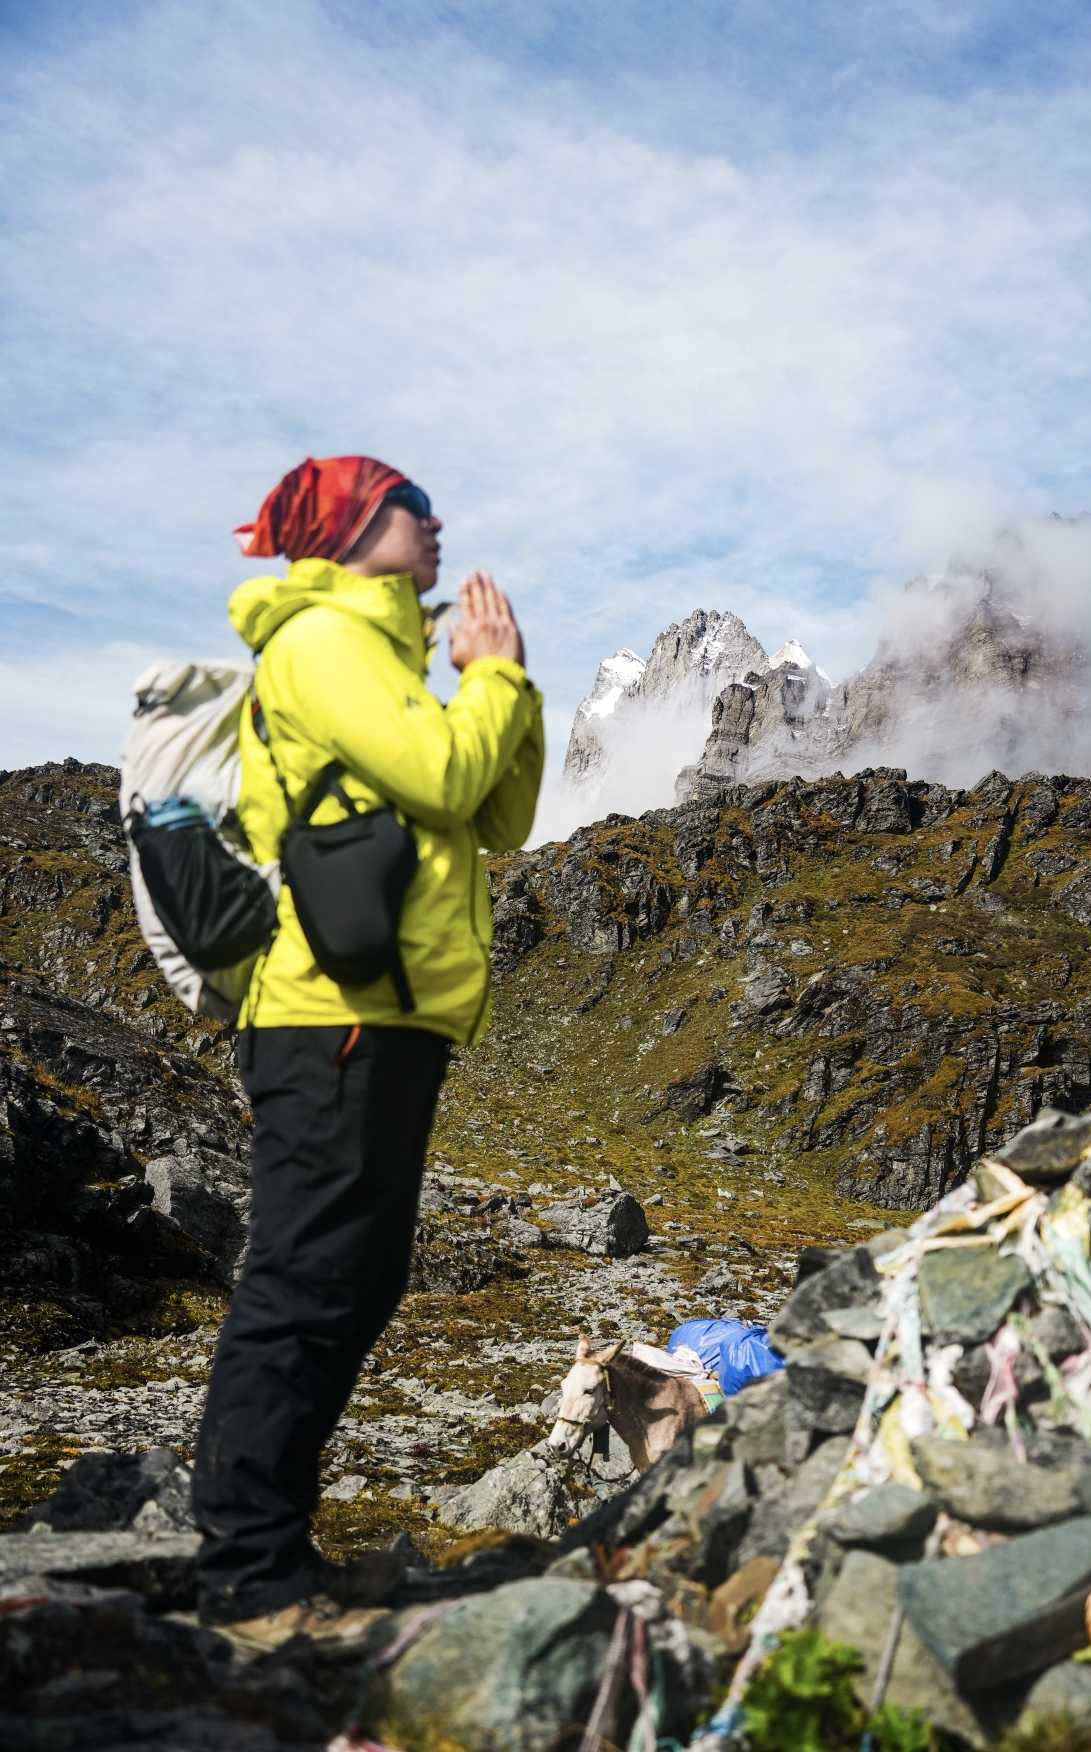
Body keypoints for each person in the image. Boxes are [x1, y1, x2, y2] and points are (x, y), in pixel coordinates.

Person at [191, 454, 543, 1647]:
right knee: (306, 1281)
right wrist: (489, 683)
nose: (435, 525)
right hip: (326, 1013)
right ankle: (247, 1579)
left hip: (387, 1017)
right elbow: (444, 774)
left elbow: (498, 813)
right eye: (411, 508)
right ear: (348, 526)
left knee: (358, 1274)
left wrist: (506, 681)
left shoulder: (389, 654)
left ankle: (276, 1552)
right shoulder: (324, 642)